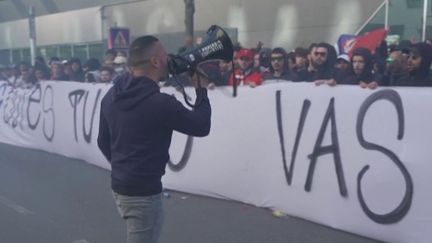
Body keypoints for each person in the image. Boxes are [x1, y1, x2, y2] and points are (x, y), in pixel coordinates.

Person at [97, 35, 211, 243]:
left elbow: (102, 142)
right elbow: (201, 126)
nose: (170, 59)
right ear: (155, 62)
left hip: (120, 186)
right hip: (143, 192)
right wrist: (201, 89)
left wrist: (124, 167)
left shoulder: (111, 95)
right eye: (165, 55)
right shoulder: (160, 103)